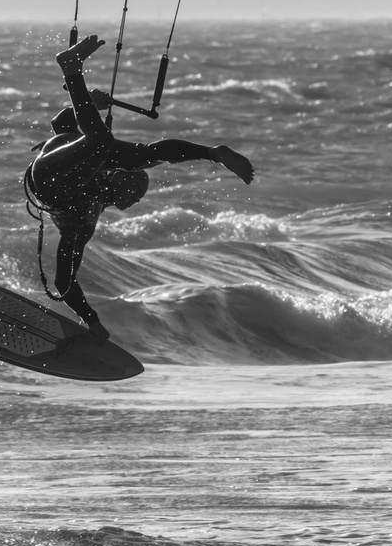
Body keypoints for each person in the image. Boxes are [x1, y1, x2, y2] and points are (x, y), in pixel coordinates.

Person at [26, 35, 254, 343]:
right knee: (121, 147)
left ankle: (72, 69)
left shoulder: (84, 221)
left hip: (49, 186)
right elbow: (61, 123)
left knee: (108, 143)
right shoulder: (107, 159)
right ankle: (70, 67)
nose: (130, 196)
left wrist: (90, 320)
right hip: (49, 166)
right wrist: (209, 154)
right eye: (131, 187)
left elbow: (63, 281)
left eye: (133, 194)